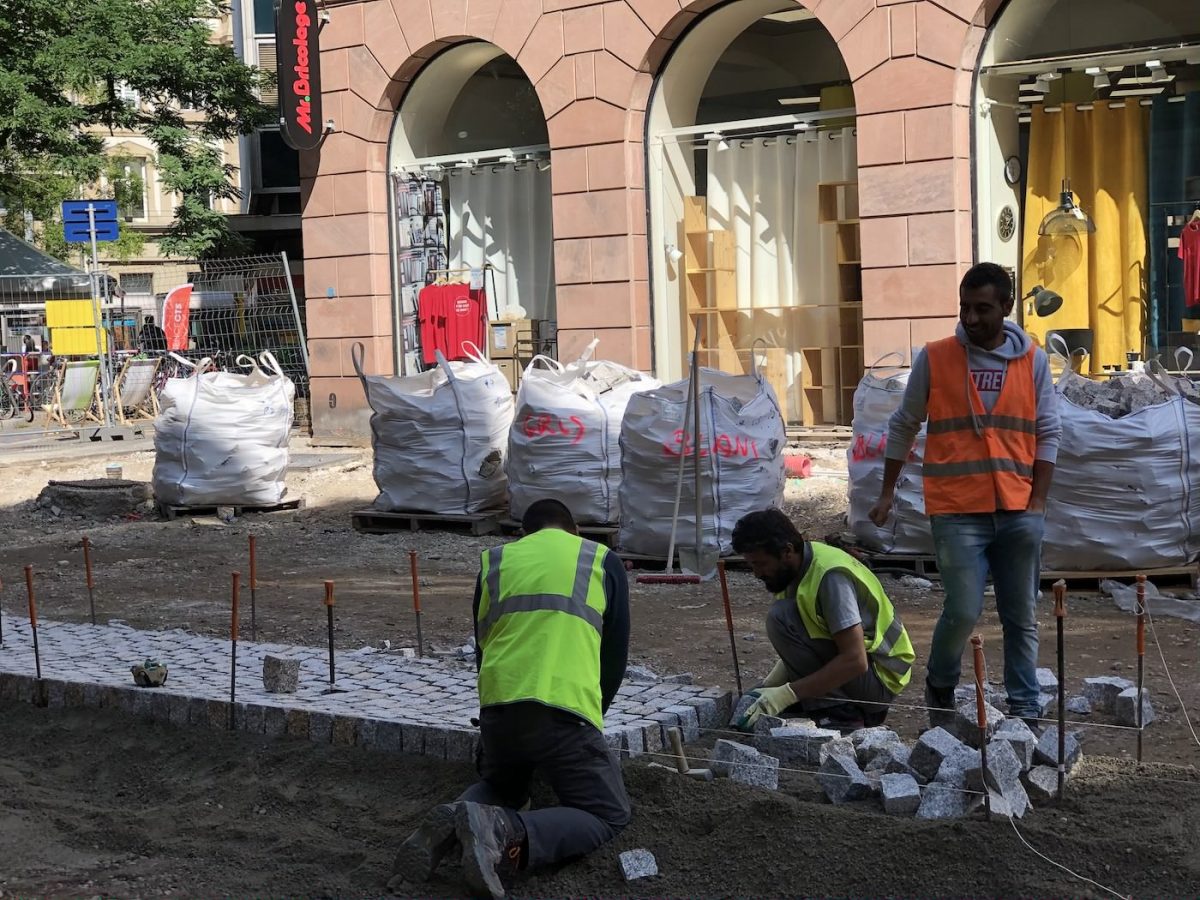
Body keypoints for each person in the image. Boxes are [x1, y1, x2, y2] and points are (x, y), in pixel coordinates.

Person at [391, 498, 631, 899]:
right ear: (574, 531)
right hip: (562, 711)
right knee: (607, 814)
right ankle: (505, 830)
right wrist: (592, 717)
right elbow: (614, 655)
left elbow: (485, 645)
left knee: (505, 786)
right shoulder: (599, 559)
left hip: (498, 710)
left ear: (525, 534)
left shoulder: (495, 561)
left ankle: (453, 818)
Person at [869, 262, 1061, 728]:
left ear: (1006, 308)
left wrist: (1037, 504)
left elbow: (1048, 431)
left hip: (1017, 510)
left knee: (1022, 616)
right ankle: (940, 685)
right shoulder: (936, 358)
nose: (970, 319)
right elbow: (904, 425)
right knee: (963, 609)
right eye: (964, 308)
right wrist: (887, 492)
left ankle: (1025, 710)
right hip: (957, 512)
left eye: (982, 309)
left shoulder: (1032, 360)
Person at [730, 508, 915, 733]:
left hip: (879, 680)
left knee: (780, 617)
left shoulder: (830, 578)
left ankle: (841, 715)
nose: (756, 573)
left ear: (786, 551)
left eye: (760, 564)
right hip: (866, 671)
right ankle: (825, 701)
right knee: (784, 616)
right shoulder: (797, 567)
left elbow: (855, 660)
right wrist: (770, 686)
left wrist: (787, 694)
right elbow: (806, 635)